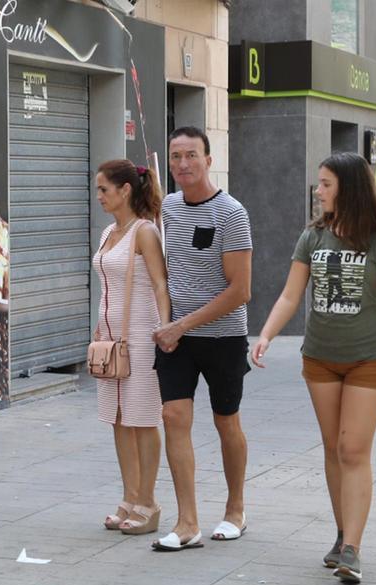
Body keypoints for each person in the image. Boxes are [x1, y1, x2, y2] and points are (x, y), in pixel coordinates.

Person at [250, 153, 376, 583]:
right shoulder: (312, 237)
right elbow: (291, 296)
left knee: (353, 450)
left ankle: (352, 547)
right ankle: (341, 533)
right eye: (319, 183)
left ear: (347, 188)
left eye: (326, 184)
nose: (318, 191)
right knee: (333, 448)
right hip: (319, 358)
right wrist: (266, 335)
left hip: (368, 358)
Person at [150, 127, 253, 552]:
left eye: (192, 155)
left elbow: (240, 290)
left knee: (225, 419)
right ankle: (187, 521)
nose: (183, 164)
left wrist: (182, 324)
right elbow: (164, 275)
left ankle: (235, 510)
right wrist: (167, 325)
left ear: (209, 160)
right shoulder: (168, 210)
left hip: (223, 337)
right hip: (175, 339)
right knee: (174, 417)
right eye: (176, 156)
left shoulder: (231, 213)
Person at [93, 160, 169, 536]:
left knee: (142, 420)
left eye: (104, 189)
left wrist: (166, 328)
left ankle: (149, 502)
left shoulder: (145, 232)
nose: (99, 197)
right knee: (119, 420)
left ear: (126, 190)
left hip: (141, 336)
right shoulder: (110, 231)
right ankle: (129, 496)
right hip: (110, 339)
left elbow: (159, 284)